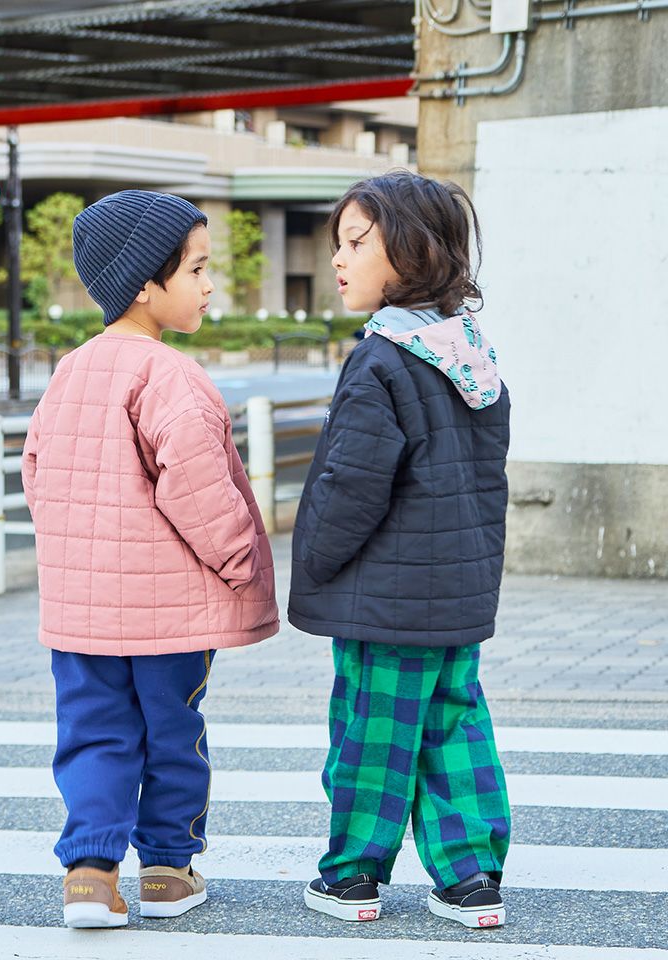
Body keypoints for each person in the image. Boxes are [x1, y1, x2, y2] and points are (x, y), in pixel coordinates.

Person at [22, 189, 279, 929]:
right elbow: (198, 489)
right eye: (196, 269)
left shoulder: (70, 371)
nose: (209, 285)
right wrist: (239, 562)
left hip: (82, 613)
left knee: (93, 732)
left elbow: (37, 475)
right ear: (143, 282)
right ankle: (167, 870)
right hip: (168, 612)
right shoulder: (170, 375)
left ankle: (90, 875)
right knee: (172, 733)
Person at [288, 171, 511, 929]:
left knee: (374, 732)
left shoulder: (382, 358)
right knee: (456, 726)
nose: (338, 259)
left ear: (411, 251)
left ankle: (353, 875)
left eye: (356, 243)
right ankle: (471, 878)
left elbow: (352, 483)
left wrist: (314, 560)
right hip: (458, 591)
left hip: (384, 596)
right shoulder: (474, 356)